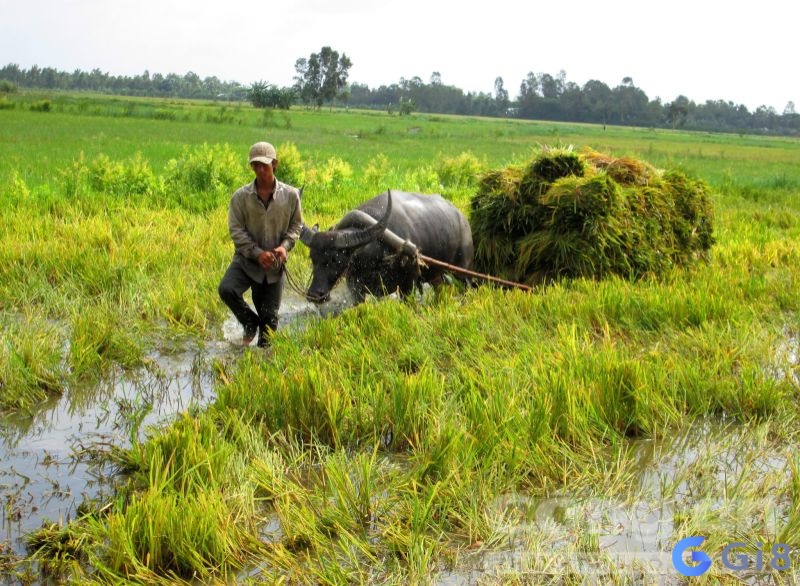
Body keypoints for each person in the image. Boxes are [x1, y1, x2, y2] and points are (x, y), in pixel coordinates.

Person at [218, 141, 303, 347]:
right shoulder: (240, 197)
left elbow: (296, 226)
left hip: (274, 266)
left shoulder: (290, 196)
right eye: (256, 165)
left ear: (275, 164)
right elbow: (236, 231)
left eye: (265, 165)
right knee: (227, 289)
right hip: (247, 261)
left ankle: (261, 365)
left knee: (269, 327)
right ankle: (249, 321)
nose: (260, 170)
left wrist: (284, 246)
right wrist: (257, 253)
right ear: (251, 167)